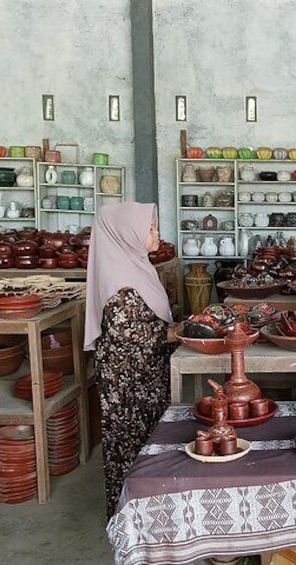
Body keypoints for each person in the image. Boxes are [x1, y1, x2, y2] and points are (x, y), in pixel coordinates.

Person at [84, 202, 182, 519]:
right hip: (128, 380)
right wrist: (183, 332)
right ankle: (130, 519)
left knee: (152, 440)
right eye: (150, 228)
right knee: (131, 446)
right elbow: (135, 332)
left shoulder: (135, 264)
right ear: (127, 233)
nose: (155, 233)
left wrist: (178, 328)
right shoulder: (118, 277)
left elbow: (150, 324)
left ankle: (151, 510)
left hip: (147, 373)